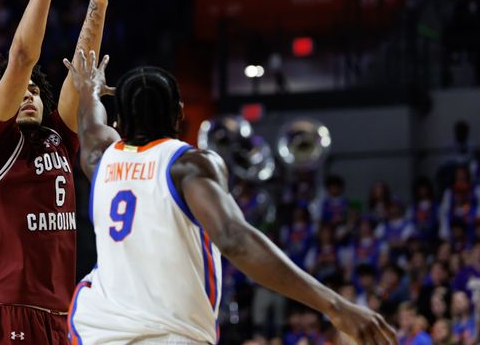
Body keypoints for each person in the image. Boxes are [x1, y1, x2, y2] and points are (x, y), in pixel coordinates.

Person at [63, 51, 397, 344]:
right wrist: (335, 306)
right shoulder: (187, 165)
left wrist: (90, 86)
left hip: (99, 332)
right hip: (171, 336)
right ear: (180, 113)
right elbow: (234, 240)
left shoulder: (99, 158)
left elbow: (90, 120)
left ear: (119, 120)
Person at [0, 0, 137, 345]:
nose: (28, 93)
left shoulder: (59, 136)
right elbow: (21, 57)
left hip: (60, 314)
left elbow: (80, 74)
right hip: (6, 314)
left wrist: (98, 2)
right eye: (20, 89)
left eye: (36, 89)